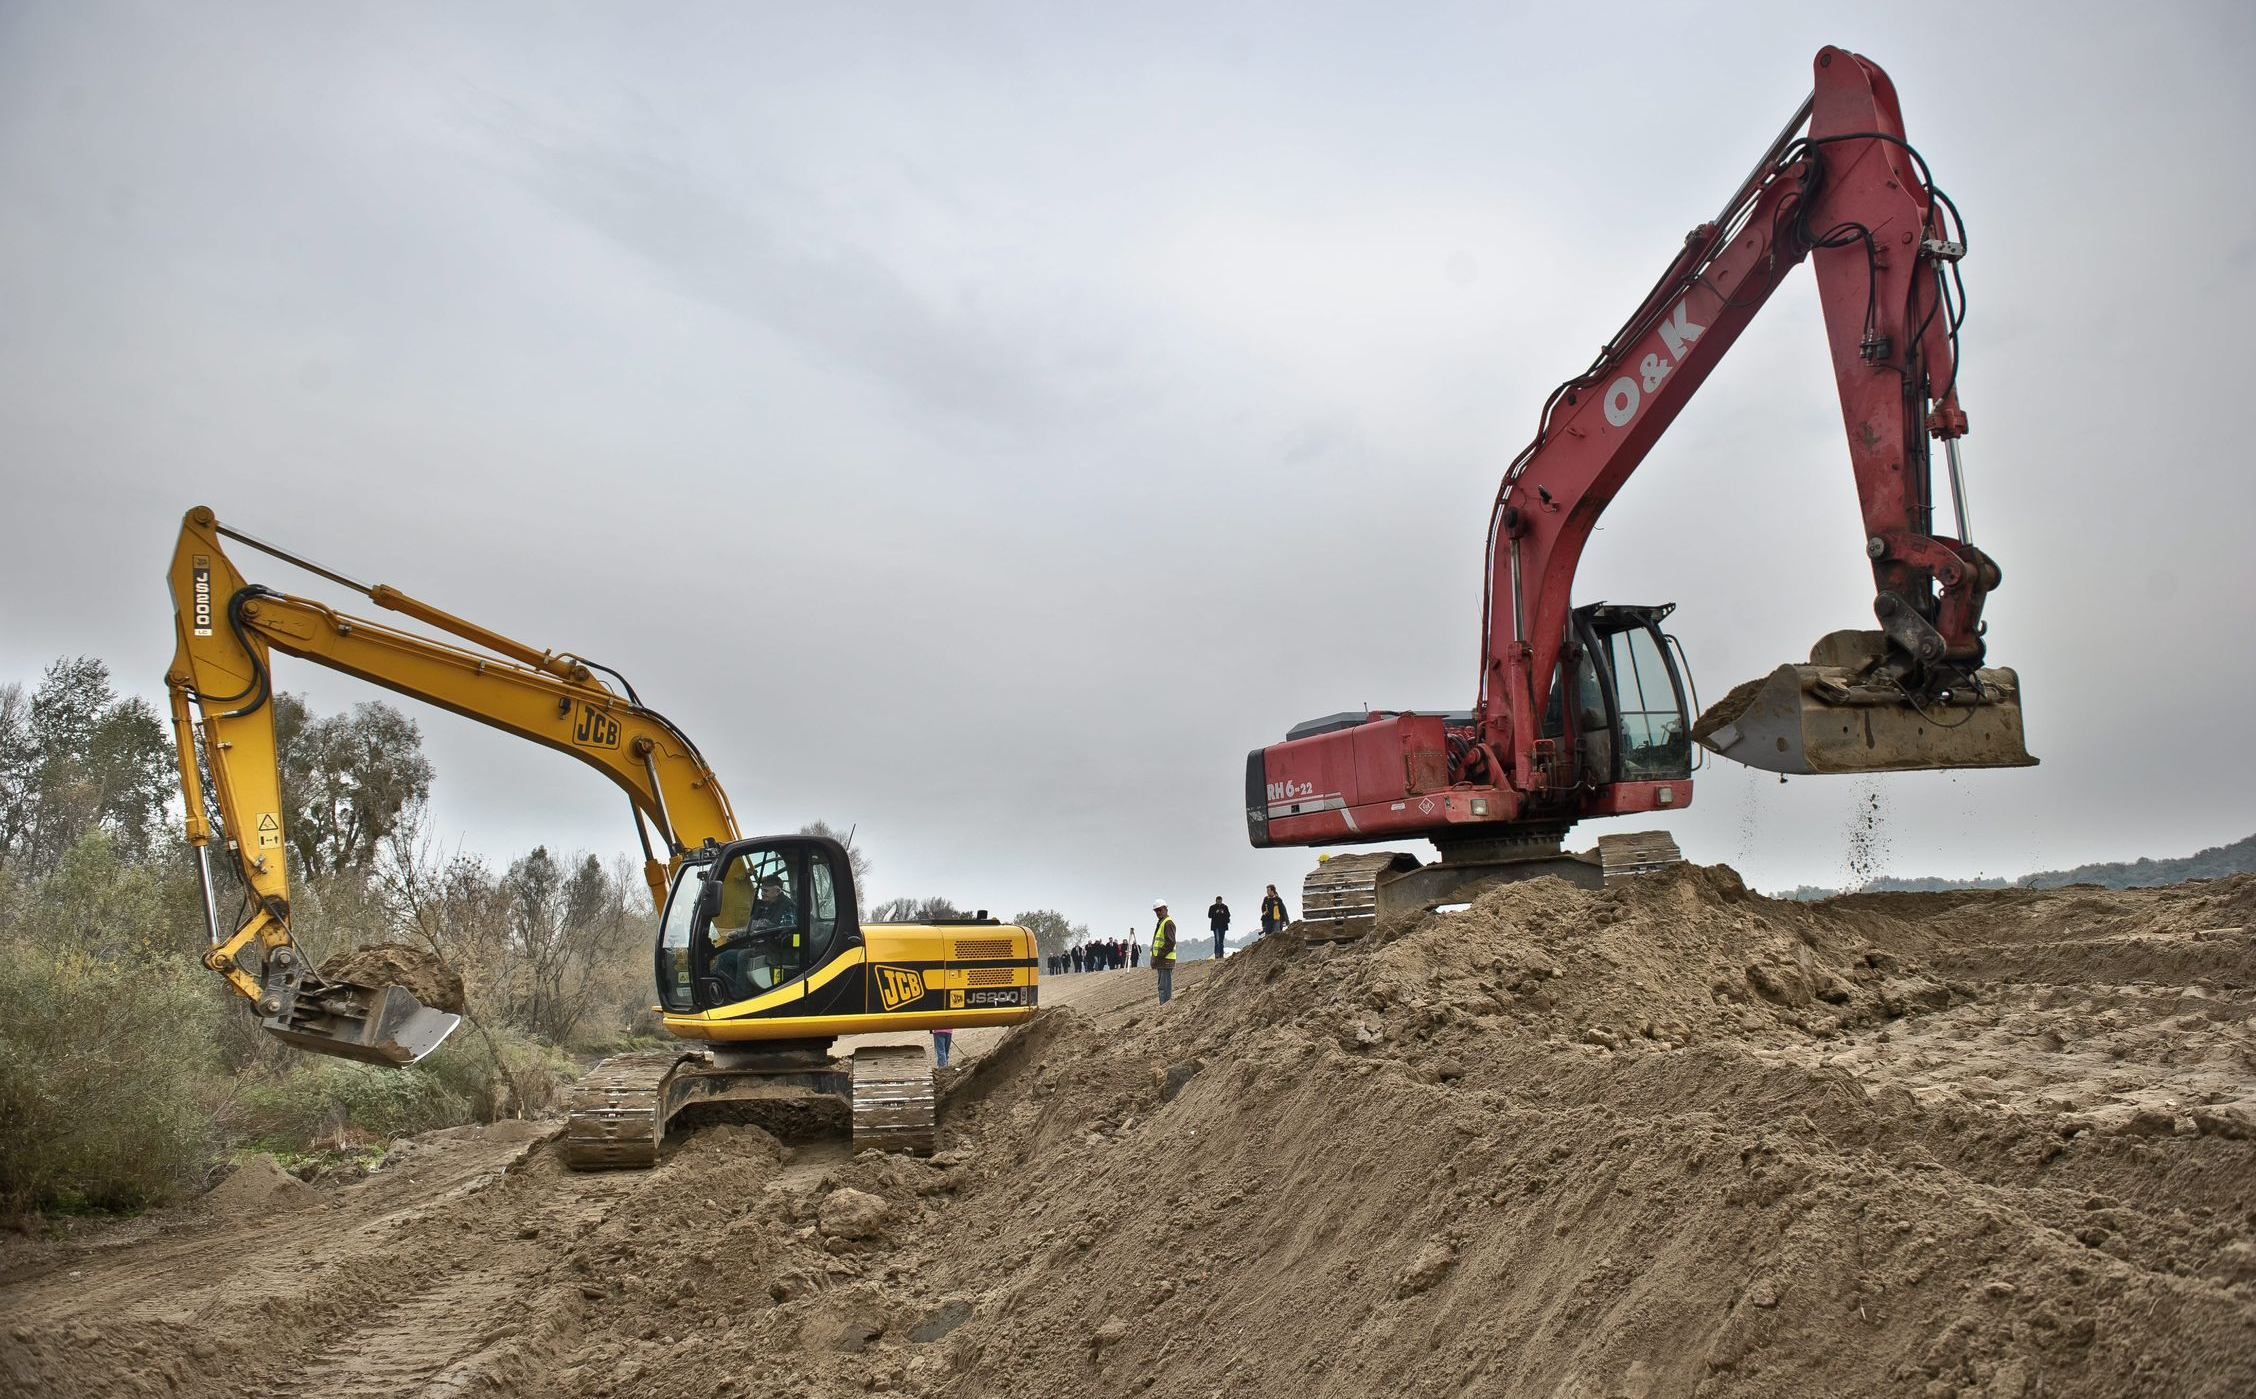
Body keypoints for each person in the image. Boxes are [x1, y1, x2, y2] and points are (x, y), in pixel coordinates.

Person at [1150, 899, 1177, 1004]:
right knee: (1162, 987)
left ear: (1166, 909)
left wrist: (1159, 955)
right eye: (1156, 911)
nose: (1158, 913)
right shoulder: (1161, 923)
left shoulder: (1168, 923)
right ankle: (1164, 1008)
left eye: (1160, 910)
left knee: (1164, 988)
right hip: (1162, 961)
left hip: (1165, 960)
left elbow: (1170, 942)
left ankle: (1165, 1008)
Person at [1208, 896, 1231, 960]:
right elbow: (1209, 915)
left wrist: (1223, 912)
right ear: (1216, 900)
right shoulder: (1212, 907)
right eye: (1218, 900)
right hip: (1216, 926)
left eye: (1220, 900)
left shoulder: (1225, 907)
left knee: (1221, 941)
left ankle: (1221, 955)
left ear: (1221, 900)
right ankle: (1217, 955)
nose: (1219, 901)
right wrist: (1216, 912)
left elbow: (1228, 915)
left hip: (1223, 926)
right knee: (1217, 940)